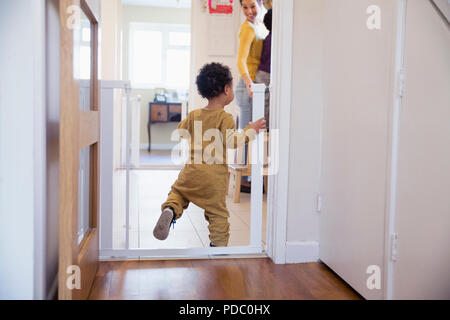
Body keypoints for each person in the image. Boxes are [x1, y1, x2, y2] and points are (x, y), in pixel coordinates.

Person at [153, 63, 266, 247]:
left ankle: (170, 210)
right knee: (217, 214)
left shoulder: (194, 115)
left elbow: (181, 131)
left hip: (191, 173)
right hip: (213, 179)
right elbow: (232, 142)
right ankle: (218, 248)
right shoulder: (225, 118)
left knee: (178, 193)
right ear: (227, 90)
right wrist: (251, 129)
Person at [236, 0, 266, 191]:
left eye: (252, 6)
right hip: (247, 87)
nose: (249, 11)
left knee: (252, 133)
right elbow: (241, 61)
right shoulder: (247, 28)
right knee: (248, 134)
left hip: (254, 86)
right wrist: (249, 84)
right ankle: (243, 180)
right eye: (245, 7)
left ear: (260, 3)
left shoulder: (259, 26)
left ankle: (247, 177)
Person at [255, 8, 272, 129]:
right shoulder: (273, 39)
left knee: (264, 105)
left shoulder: (268, 38)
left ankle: (264, 130)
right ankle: (265, 130)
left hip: (262, 73)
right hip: (266, 74)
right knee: (266, 105)